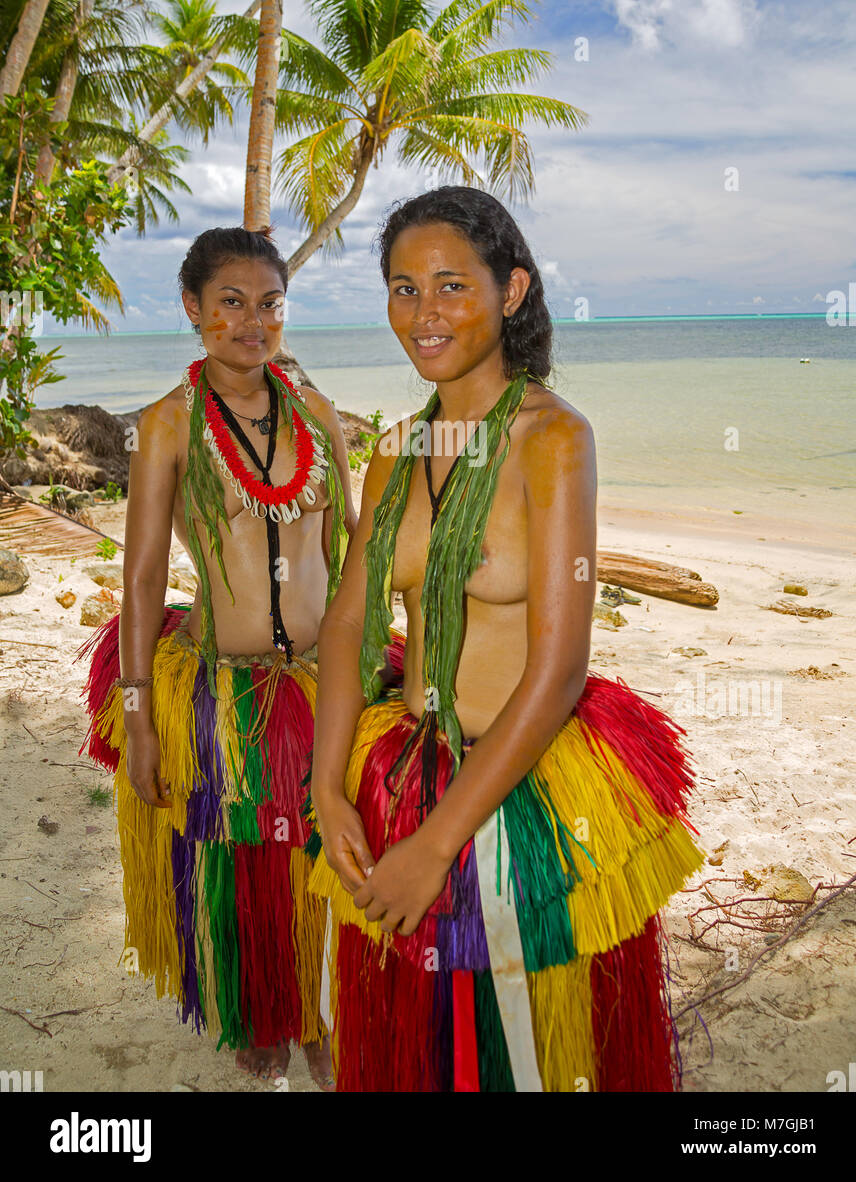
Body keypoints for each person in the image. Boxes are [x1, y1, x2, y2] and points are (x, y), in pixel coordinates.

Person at [308, 187, 704, 1092]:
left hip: (515, 783)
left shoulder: (553, 440)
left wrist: (436, 845)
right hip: (401, 770)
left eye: (452, 285)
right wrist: (327, 786)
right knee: (417, 1046)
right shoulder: (397, 449)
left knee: (530, 1047)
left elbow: (561, 671)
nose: (425, 313)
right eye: (403, 289)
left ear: (512, 290)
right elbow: (347, 625)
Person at [78, 226, 357, 1086]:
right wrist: (139, 722)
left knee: (323, 851)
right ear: (195, 310)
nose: (251, 321)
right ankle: (260, 1011)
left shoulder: (314, 411)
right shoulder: (168, 425)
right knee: (240, 867)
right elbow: (142, 579)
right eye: (230, 303)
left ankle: (322, 1012)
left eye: (269, 303)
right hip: (223, 686)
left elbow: (360, 547)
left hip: (323, 679)